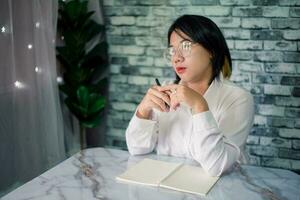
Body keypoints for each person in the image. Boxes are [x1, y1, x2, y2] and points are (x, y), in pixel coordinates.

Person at [125, 15, 254, 177]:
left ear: (211, 51)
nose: (176, 57)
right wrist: (143, 111)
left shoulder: (239, 98)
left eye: (186, 46)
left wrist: (200, 106)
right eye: (172, 50)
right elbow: (137, 149)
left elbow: (217, 166)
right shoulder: (165, 91)